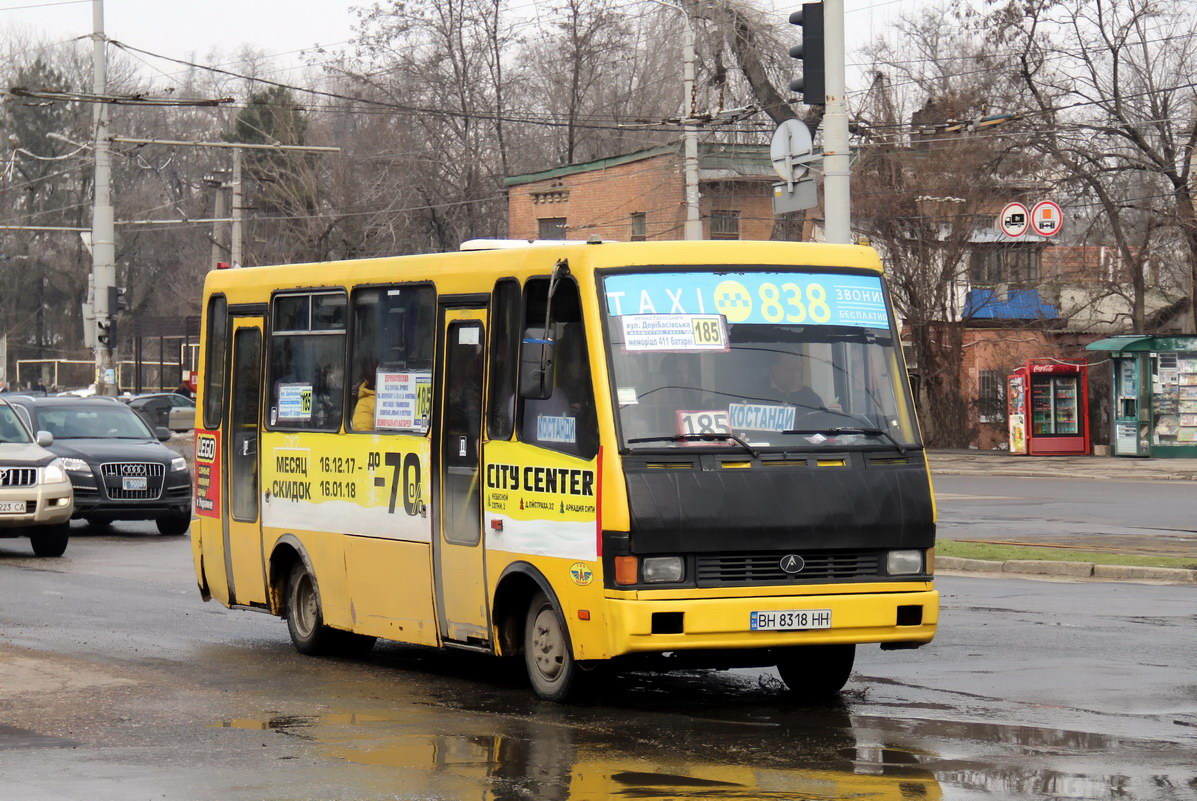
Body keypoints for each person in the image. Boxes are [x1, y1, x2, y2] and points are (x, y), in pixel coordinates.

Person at [765, 352, 830, 412]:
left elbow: (823, 420)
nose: (795, 375)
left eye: (798, 369)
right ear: (775, 369)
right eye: (790, 369)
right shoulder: (759, 394)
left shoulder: (810, 397)